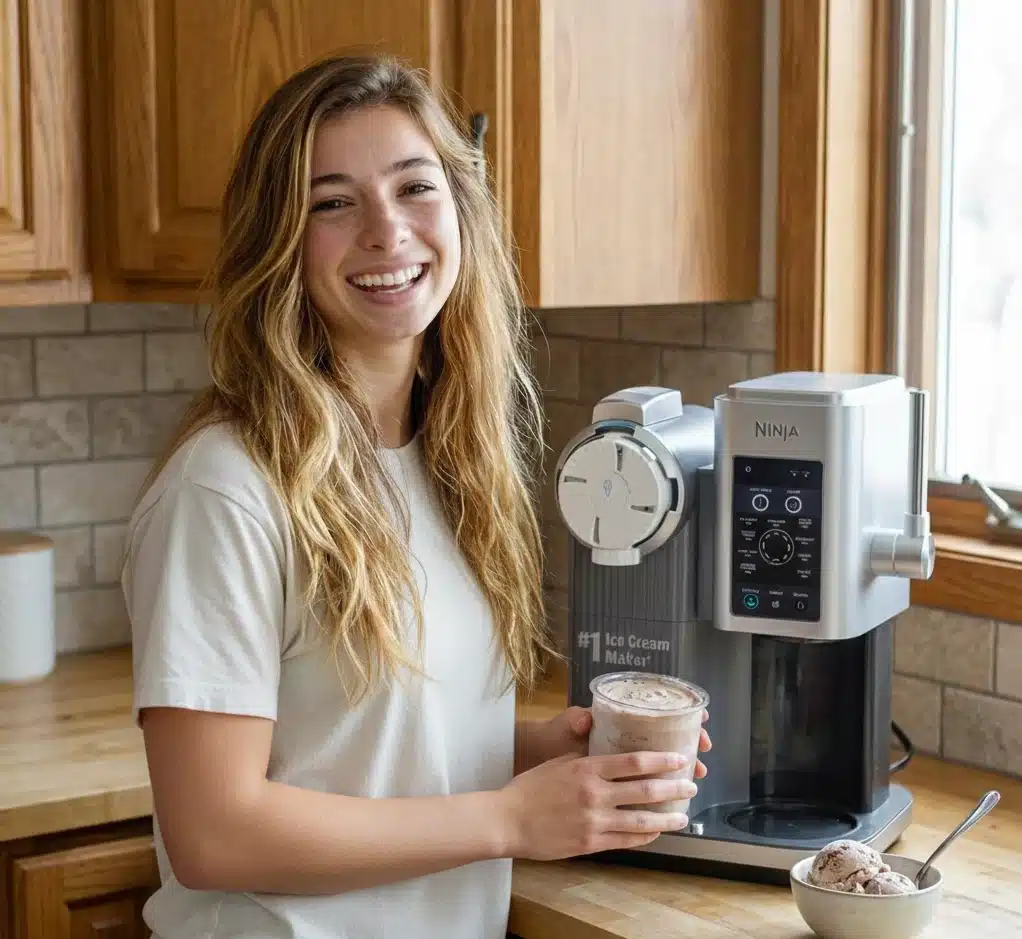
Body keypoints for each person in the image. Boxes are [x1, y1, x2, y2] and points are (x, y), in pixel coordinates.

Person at [121, 53, 712, 939]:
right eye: (332, 202)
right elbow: (214, 831)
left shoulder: (449, 463)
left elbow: (357, 748)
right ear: (277, 240)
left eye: (414, 187)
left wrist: (533, 755)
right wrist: (512, 817)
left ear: (461, 211)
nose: (387, 233)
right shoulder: (227, 489)